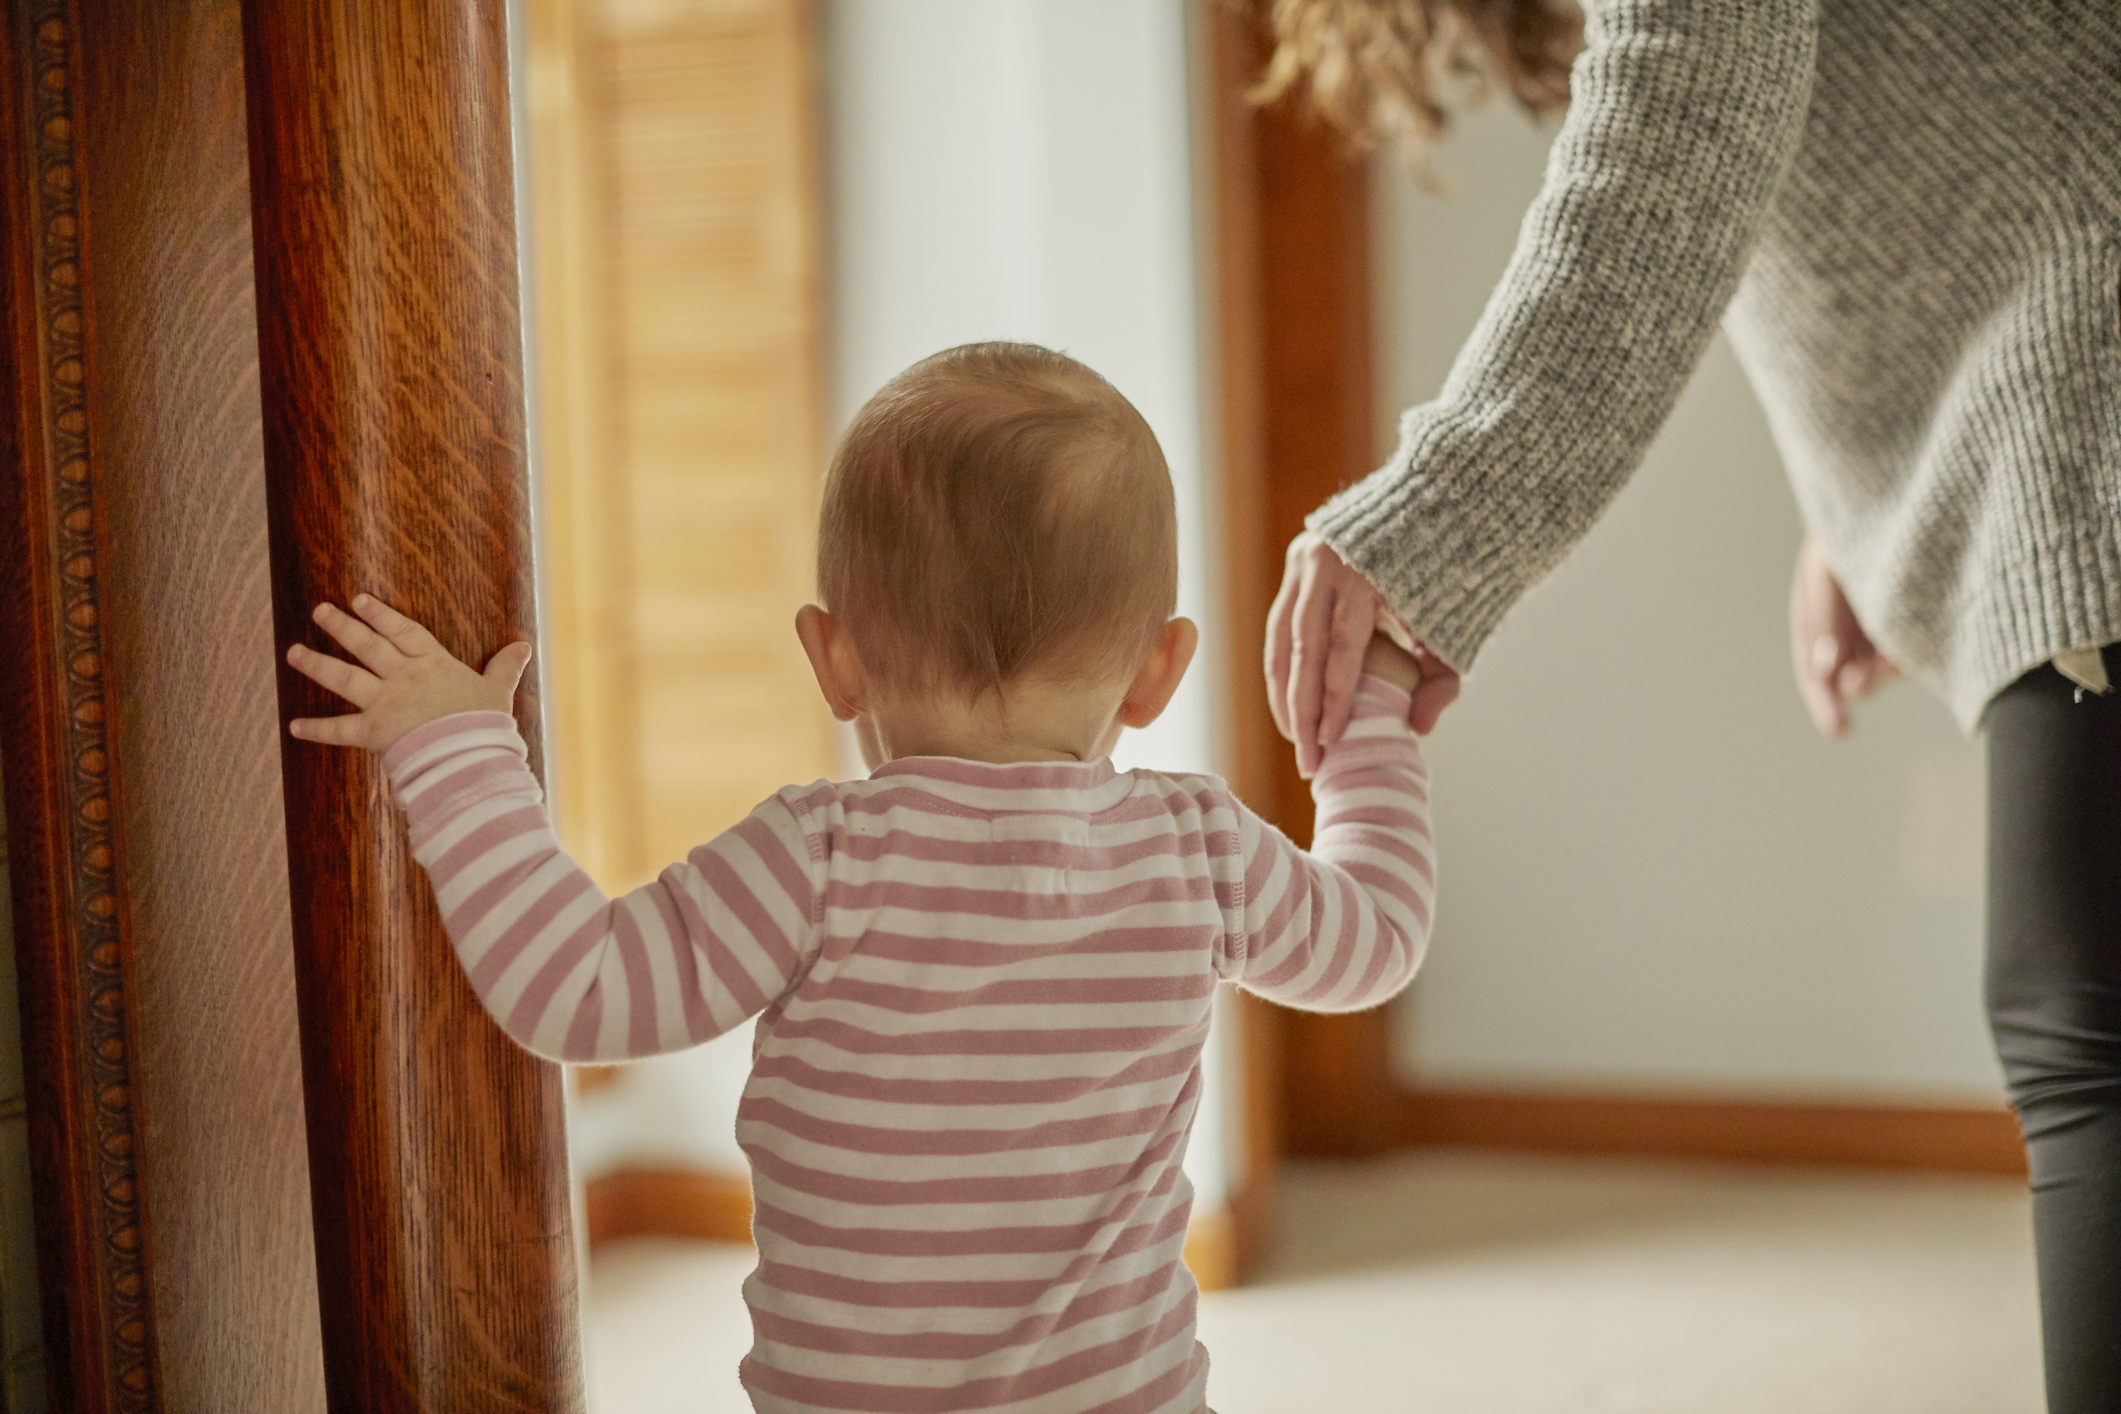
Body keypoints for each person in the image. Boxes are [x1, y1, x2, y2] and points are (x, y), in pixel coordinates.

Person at [284, 342, 1438, 1414]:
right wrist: (1370, 722)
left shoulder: (816, 858)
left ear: (831, 657)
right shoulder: (1198, 850)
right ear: (1158, 672)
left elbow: (575, 988)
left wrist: (458, 751)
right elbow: (1378, 936)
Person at [1256, 3, 2121, 1409]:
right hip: (2047, 373)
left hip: (2095, 341)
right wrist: (1864, 510)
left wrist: (1437, 516)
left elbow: (1691, 104)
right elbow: (1806, 136)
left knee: (2086, 1022)